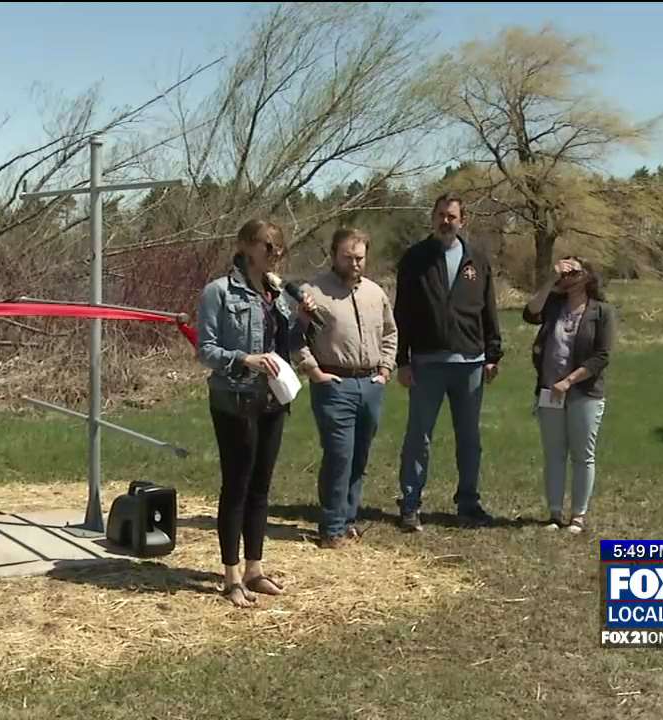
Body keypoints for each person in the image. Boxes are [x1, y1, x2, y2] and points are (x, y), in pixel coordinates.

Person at [196, 218, 315, 607]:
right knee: (237, 485)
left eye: (279, 248)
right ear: (246, 245)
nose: (275, 254)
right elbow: (205, 350)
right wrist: (245, 358)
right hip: (235, 398)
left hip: (272, 399)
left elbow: (288, 344)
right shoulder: (218, 292)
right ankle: (230, 576)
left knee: (261, 487)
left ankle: (255, 569)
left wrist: (303, 320)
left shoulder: (276, 293)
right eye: (268, 246)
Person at [393, 192, 503, 531]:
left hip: (470, 361)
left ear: (462, 220)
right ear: (433, 217)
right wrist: (402, 359)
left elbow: (489, 310)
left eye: (451, 216)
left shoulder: (477, 260)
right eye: (440, 215)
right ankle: (410, 504)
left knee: (469, 438)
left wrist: (492, 354)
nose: (445, 221)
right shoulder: (415, 259)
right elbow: (403, 313)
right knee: (418, 436)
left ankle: (468, 504)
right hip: (427, 361)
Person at [293, 228, 397, 549]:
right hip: (333, 384)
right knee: (339, 455)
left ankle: (349, 518)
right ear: (333, 255)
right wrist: (314, 371)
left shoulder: (375, 293)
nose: (354, 264)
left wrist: (384, 369)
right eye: (347, 257)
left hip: (370, 383)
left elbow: (390, 333)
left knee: (359, 456)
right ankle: (332, 527)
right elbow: (296, 338)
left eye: (359, 258)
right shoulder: (313, 293)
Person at [523, 256, 615, 534]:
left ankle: (578, 516)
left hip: (585, 393)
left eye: (573, 270)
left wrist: (570, 381)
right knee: (554, 454)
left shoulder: (602, 311)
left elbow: (602, 356)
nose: (567, 274)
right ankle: (554, 514)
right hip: (549, 390)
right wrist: (552, 280)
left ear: (587, 277)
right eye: (564, 271)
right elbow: (529, 313)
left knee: (582, 455)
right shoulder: (553, 305)